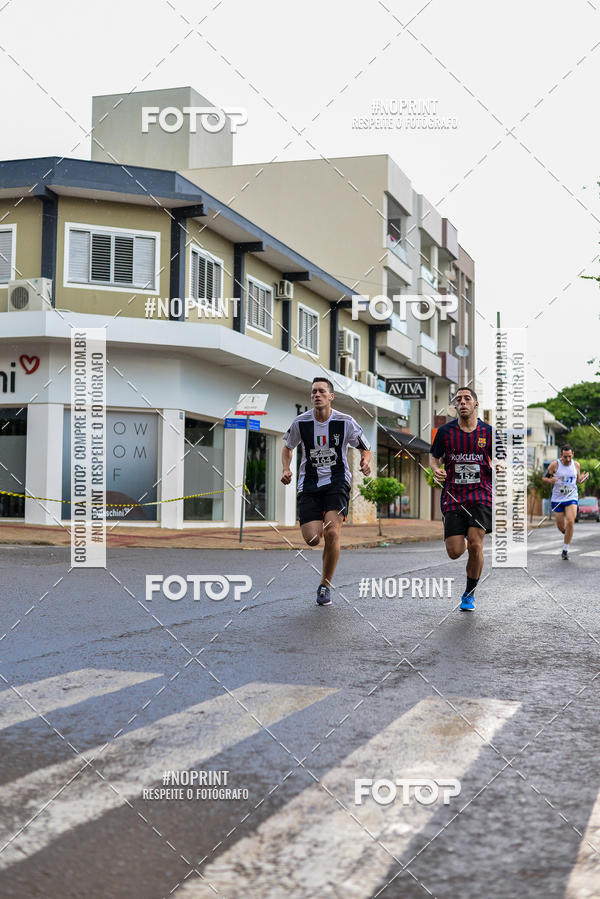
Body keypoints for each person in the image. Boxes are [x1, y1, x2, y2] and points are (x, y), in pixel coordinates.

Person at [281, 377, 371, 606]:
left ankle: (325, 585)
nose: (317, 395)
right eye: (313, 392)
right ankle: (322, 524)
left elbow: (364, 447)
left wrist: (365, 462)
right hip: (309, 483)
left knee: (332, 533)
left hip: (337, 481)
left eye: (321, 391)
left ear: (331, 396)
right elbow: (288, 447)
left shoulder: (345, 421)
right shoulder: (301, 422)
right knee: (312, 538)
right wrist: (286, 468)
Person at [429, 387, 505, 612]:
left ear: (475, 404)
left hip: (481, 494)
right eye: (458, 399)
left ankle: (469, 593)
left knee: (475, 544)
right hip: (453, 496)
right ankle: (459, 536)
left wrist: (499, 464)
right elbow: (434, 457)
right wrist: (436, 469)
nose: (462, 402)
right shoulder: (445, 432)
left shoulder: (489, 432)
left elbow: (500, 455)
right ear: (455, 406)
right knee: (454, 551)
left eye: (467, 398)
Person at [542, 445, 589, 559]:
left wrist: (584, 478)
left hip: (571, 497)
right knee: (560, 526)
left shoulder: (576, 465)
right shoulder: (555, 465)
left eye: (569, 457)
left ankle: (565, 549)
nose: (567, 460)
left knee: (570, 522)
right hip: (558, 498)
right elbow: (544, 478)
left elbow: (578, 480)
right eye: (565, 457)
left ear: (572, 454)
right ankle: (566, 532)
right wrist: (550, 480)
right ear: (561, 455)